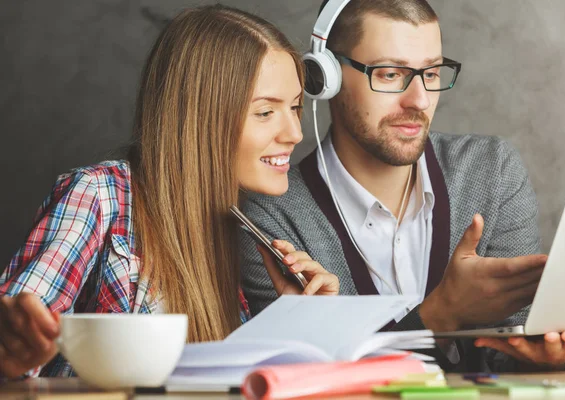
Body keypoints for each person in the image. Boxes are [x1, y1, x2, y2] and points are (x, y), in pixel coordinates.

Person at [240, 0, 565, 371]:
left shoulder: (492, 171)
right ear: (324, 78)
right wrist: (442, 313)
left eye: (430, 73)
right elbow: (299, 380)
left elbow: (512, 358)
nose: (421, 101)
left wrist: (546, 357)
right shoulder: (270, 214)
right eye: (390, 74)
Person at [0, 5, 339, 380]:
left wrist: (298, 321)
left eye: (294, 108)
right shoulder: (99, 195)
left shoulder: (237, 224)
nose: (294, 133)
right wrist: (14, 350)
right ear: (200, 116)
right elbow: (17, 333)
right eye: (265, 112)